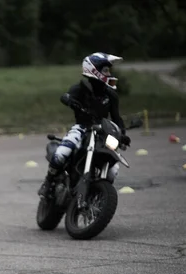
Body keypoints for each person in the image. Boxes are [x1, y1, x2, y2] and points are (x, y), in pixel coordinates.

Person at [38, 52, 132, 197]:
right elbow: (67, 96)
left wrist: (122, 134)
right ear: (94, 70)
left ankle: (98, 196)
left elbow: (117, 118)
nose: (109, 73)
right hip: (82, 127)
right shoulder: (82, 88)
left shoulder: (111, 94)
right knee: (62, 153)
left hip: (102, 133)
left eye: (109, 70)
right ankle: (48, 181)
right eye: (105, 70)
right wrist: (69, 99)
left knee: (114, 170)